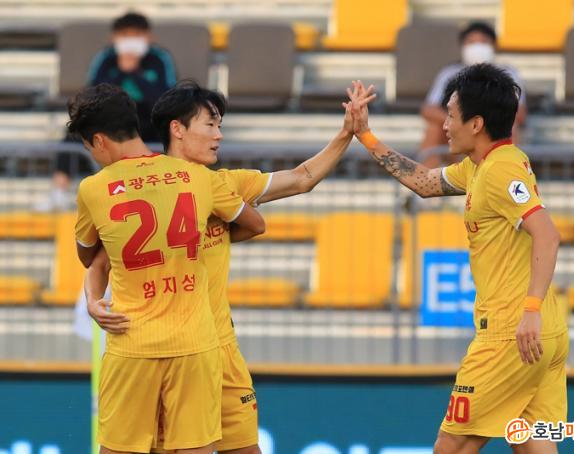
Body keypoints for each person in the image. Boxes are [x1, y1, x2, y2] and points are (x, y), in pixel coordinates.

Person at [83, 80, 374, 454]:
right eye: (210, 125)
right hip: (175, 349)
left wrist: (346, 134)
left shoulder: (223, 183)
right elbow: (101, 261)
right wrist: (93, 300)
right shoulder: (148, 188)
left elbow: (302, 178)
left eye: (219, 126)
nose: (218, 136)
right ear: (177, 129)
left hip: (217, 347)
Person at [347, 65, 567, 453]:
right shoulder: (484, 165)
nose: (445, 125)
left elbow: (547, 235)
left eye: (450, 115)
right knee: (532, 444)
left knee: (451, 445)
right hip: (543, 331)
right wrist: (365, 135)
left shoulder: (500, 171)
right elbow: (425, 183)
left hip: (511, 332)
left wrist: (529, 310)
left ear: (476, 123)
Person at [69, 83, 265, 454]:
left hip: (132, 342)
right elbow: (257, 222)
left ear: (98, 141)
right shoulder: (195, 176)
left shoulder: (94, 188)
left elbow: (89, 256)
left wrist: (94, 298)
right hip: (195, 344)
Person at [420, 22, 527, 165]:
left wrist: (481, 124)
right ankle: (426, 176)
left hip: (492, 131)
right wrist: (459, 122)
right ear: (462, 46)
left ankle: (508, 170)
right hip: (456, 130)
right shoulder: (449, 73)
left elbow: (519, 113)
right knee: (434, 128)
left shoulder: (508, 73)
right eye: (471, 42)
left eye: (483, 42)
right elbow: (428, 109)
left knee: (511, 127)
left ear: (493, 46)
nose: (477, 47)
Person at [88, 12, 176, 142]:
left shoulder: (160, 58)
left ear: (149, 37)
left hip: (149, 116)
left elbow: (165, 99)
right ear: (113, 38)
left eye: (137, 35)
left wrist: (135, 72)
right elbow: (95, 96)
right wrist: (121, 72)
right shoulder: (105, 57)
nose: (131, 41)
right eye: (124, 35)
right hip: (111, 115)